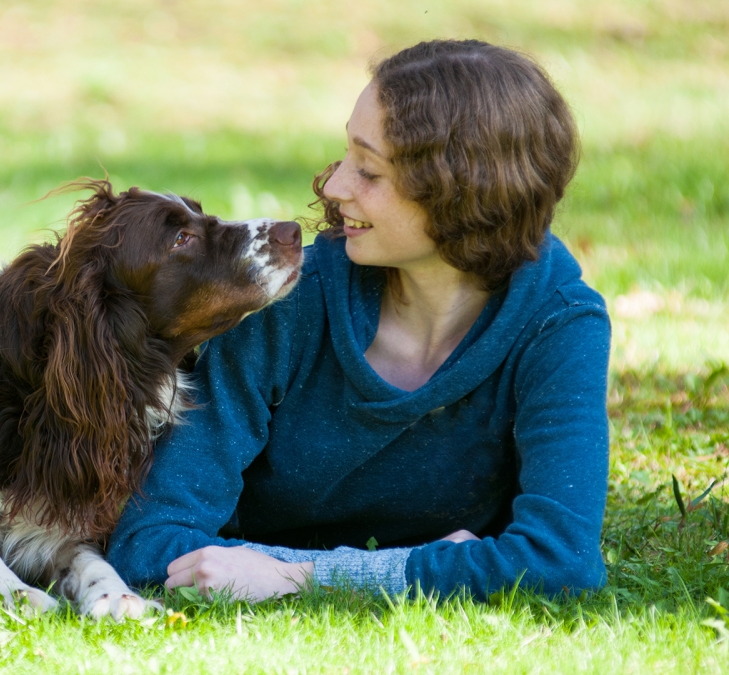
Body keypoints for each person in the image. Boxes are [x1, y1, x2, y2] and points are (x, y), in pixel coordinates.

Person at [106, 39, 611, 600]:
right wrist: (441, 567)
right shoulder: (288, 302)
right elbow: (145, 543)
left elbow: (562, 561)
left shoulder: (558, 324)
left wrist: (297, 578)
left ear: (463, 196)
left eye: (369, 172)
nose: (333, 186)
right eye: (347, 154)